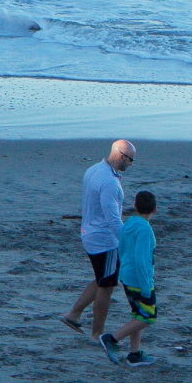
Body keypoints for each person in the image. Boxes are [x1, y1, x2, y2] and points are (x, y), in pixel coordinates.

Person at [64, 138, 135, 340]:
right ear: (121, 156)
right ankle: (97, 334)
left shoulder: (94, 169)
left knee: (102, 277)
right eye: (130, 160)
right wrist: (128, 242)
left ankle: (74, 314)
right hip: (104, 241)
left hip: (89, 233)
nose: (131, 164)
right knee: (107, 286)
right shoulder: (109, 182)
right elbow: (112, 220)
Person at [106, 190, 157, 364]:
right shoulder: (144, 229)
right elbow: (141, 260)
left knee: (137, 314)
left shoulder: (129, 223)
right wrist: (145, 287)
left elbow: (121, 248)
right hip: (138, 280)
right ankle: (112, 339)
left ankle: (134, 354)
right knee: (149, 316)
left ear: (135, 206)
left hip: (126, 277)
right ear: (154, 210)